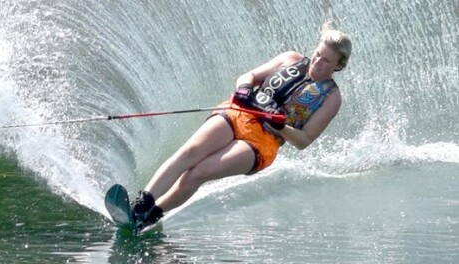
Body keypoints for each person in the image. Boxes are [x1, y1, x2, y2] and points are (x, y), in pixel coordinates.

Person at [131, 21, 352, 230]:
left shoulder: (331, 98)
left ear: (339, 66)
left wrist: (282, 126)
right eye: (317, 54)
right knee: (189, 152)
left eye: (326, 61)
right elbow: (250, 76)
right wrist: (245, 88)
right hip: (240, 113)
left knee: (199, 173)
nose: (317, 61)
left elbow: (304, 140)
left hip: (264, 141)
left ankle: (150, 217)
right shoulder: (291, 58)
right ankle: (140, 205)